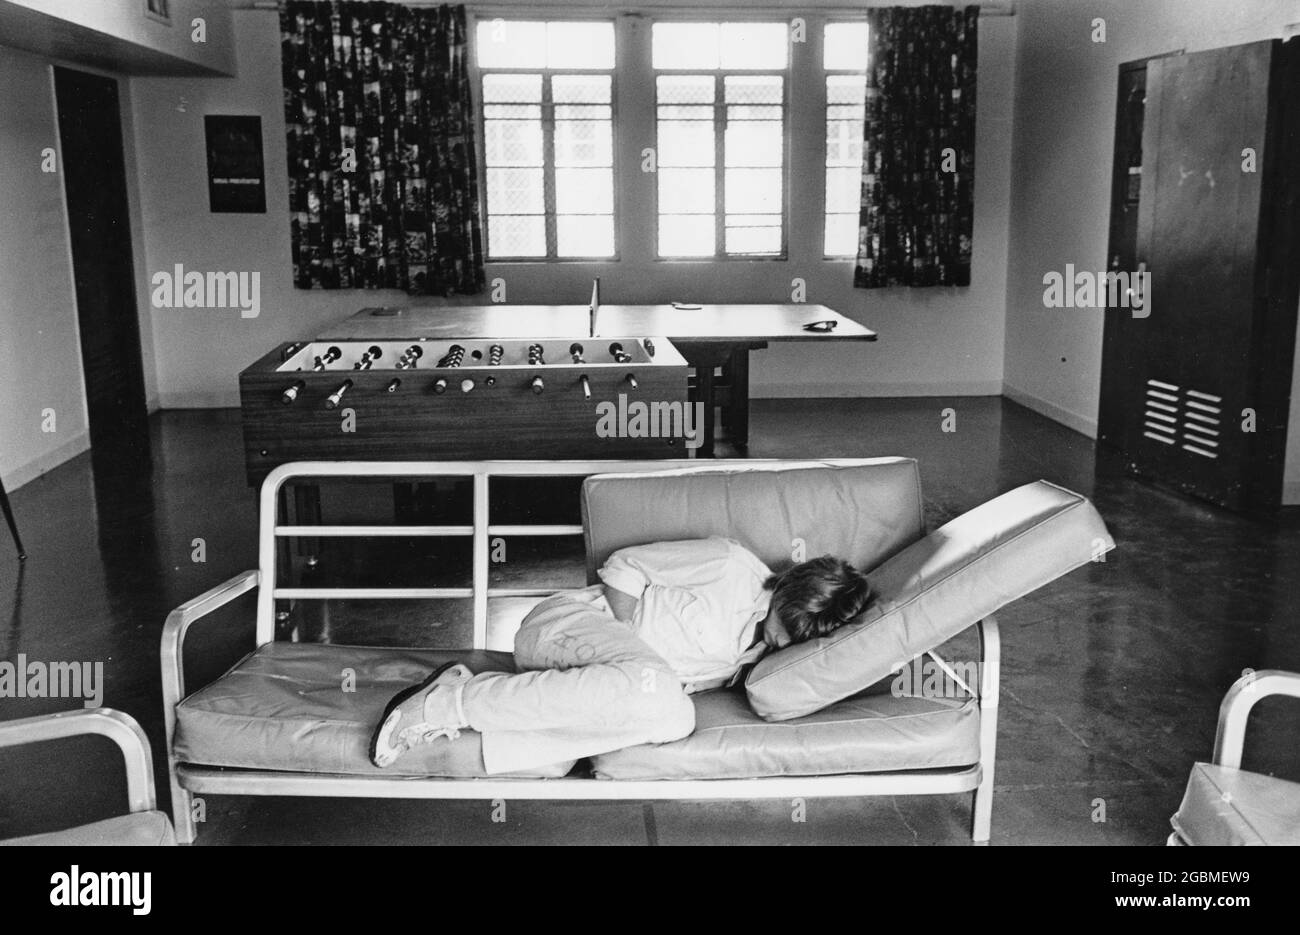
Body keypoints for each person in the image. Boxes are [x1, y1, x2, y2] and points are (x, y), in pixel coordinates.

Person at [369, 537, 874, 773]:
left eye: (803, 637)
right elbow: (625, 566)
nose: (789, 641)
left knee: (669, 719)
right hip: (565, 629)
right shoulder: (729, 565)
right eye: (792, 625)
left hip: (594, 687)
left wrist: (629, 680)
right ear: (791, 590)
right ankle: (447, 704)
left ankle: (464, 713)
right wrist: (627, 652)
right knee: (657, 692)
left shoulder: (756, 656)